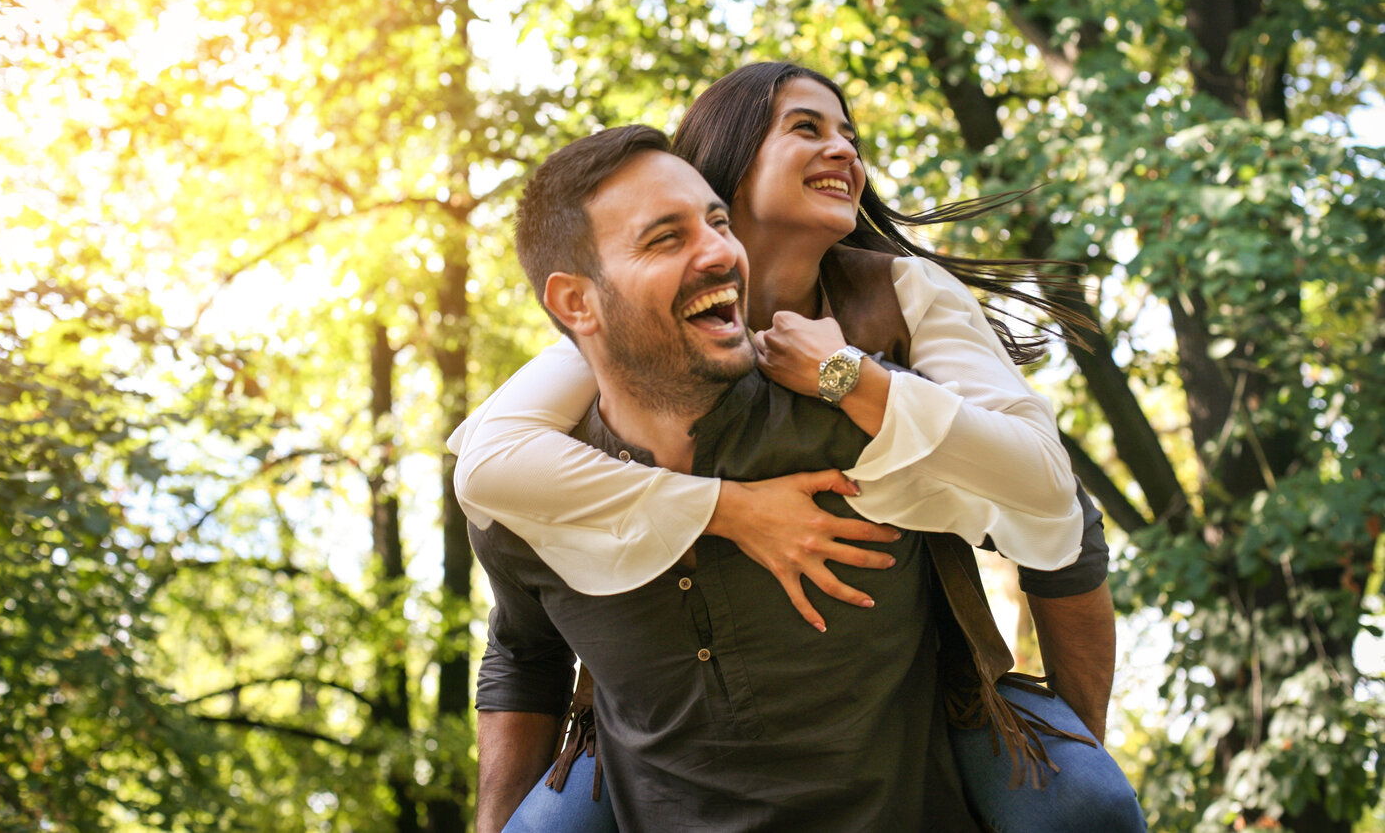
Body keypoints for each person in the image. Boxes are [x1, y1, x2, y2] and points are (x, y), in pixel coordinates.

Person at [456, 63, 1145, 831]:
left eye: (850, 133)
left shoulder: (900, 302)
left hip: (913, 698)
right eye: (808, 129)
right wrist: (731, 509)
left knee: (1084, 799)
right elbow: (489, 461)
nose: (845, 151)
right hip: (650, 730)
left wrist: (849, 378)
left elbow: (1051, 497)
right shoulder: (623, 328)